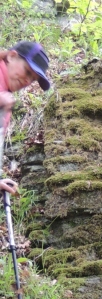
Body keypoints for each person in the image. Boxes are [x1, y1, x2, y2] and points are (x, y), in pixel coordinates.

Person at [1, 41, 51, 197]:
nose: (28, 82)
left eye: (33, 79)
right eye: (28, 72)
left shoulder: (6, 97)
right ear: (11, 56)